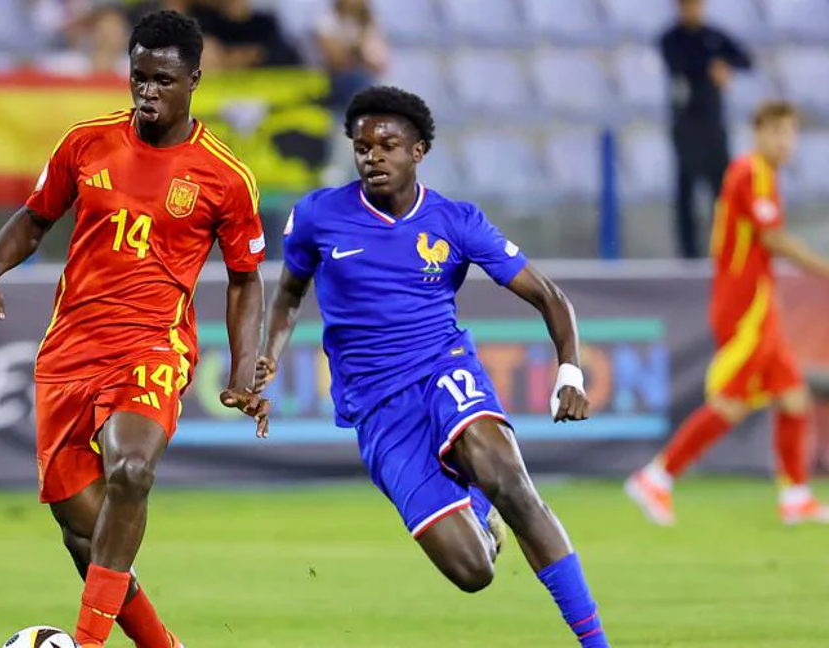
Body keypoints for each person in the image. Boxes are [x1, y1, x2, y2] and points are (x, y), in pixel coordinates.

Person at [0, 10, 269, 648]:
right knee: (84, 533)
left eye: (163, 80)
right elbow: (35, 217)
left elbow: (245, 279)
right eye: (138, 78)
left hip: (153, 345)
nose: (148, 92)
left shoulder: (225, 177)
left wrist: (242, 370)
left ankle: (86, 642)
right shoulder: (85, 143)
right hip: (68, 352)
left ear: (195, 81)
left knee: (130, 469)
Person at [255, 86, 610, 647]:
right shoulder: (319, 216)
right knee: (474, 571)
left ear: (418, 151)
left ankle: (596, 642)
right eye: (363, 146)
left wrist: (571, 371)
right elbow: (289, 294)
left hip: (444, 368)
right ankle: (474, 503)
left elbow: (547, 295)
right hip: (377, 409)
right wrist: (268, 355)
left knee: (513, 483)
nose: (373, 157)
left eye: (388, 145)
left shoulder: (456, 221)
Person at [626, 101, 829, 527]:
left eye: (791, 133)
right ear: (759, 133)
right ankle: (657, 476)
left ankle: (796, 496)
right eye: (778, 132)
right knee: (732, 402)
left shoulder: (764, 177)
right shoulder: (749, 173)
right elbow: (774, 240)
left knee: (793, 395)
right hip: (744, 311)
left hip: (759, 305)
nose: (786, 142)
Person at [660, 0, 752, 259]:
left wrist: (726, 66)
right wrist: (712, 66)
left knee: (722, 191)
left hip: (713, 125)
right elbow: (679, 64)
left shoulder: (715, 37)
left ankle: (725, 246)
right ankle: (688, 252)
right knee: (686, 191)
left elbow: (745, 58)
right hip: (686, 125)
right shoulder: (671, 38)